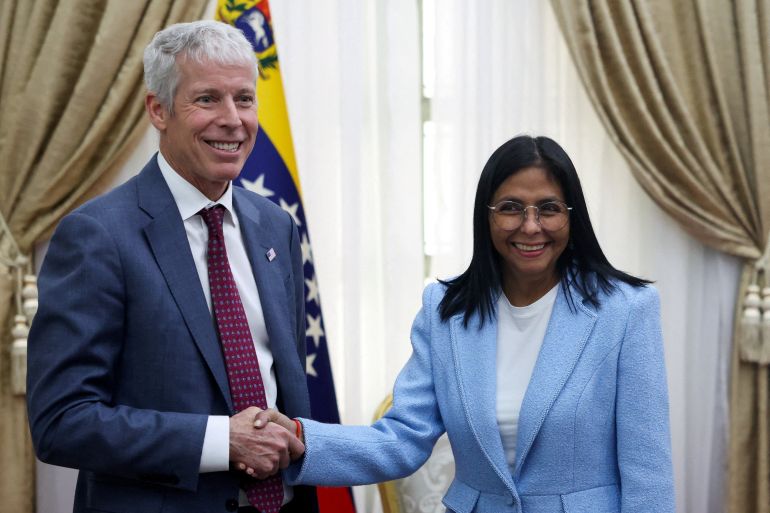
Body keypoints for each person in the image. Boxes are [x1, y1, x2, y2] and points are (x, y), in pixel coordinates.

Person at [254, 135, 676, 513]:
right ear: (486, 216)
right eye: (510, 208)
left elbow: (648, 475)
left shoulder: (626, 310)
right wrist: (301, 438)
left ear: (572, 215)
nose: (531, 226)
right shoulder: (445, 310)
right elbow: (403, 437)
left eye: (548, 209)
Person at [26, 20, 316, 513]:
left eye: (244, 99)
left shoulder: (276, 226)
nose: (233, 120)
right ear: (158, 110)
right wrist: (221, 440)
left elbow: (288, 392)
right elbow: (63, 422)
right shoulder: (97, 236)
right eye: (207, 99)